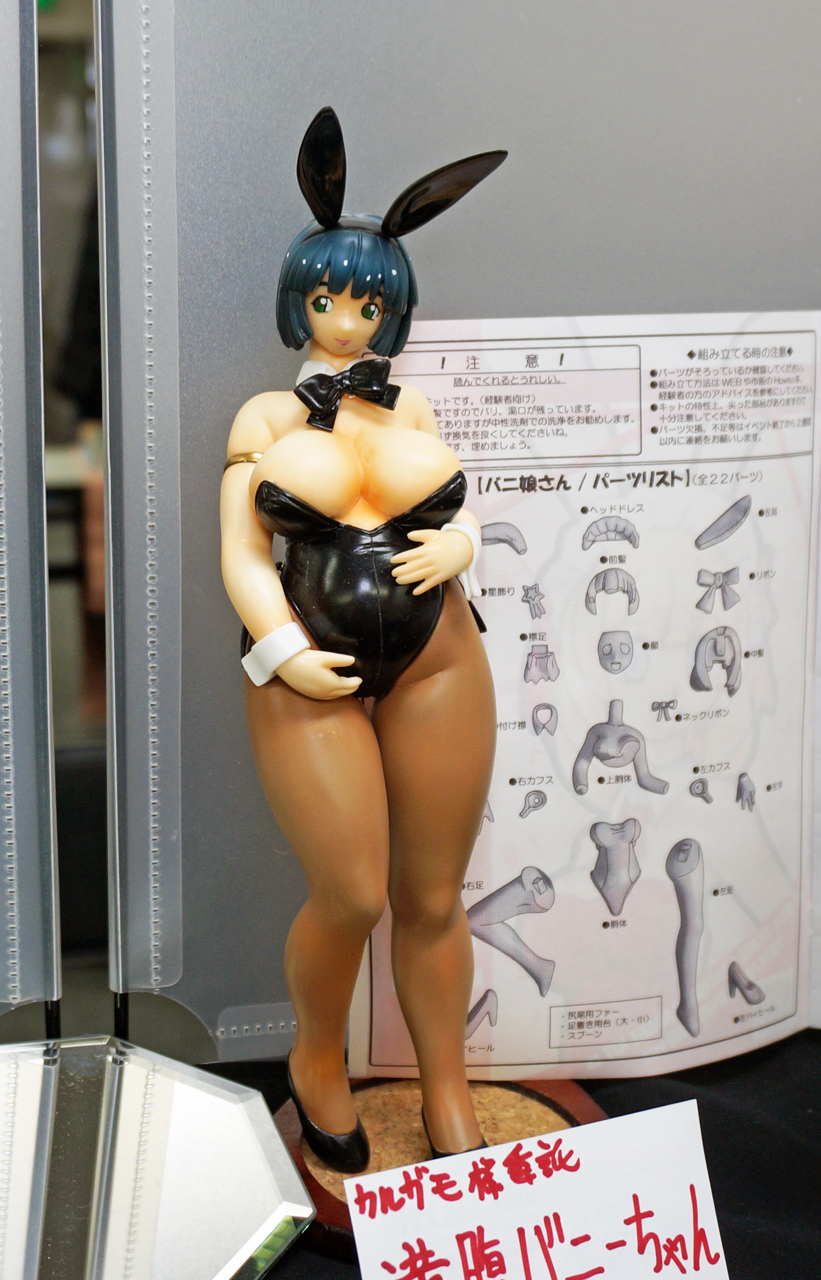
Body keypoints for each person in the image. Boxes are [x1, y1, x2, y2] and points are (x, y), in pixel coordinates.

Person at [220, 108, 505, 1171]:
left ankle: (447, 1087)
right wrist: (281, 645)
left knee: (433, 895)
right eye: (327, 299)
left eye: (369, 303)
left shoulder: (410, 409)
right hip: (305, 665)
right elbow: (243, 555)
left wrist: (464, 538)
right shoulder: (265, 418)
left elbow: (462, 515)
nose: (345, 320)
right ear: (298, 299)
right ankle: (315, 1056)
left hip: (441, 653)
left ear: (393, 310)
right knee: (351, 891)